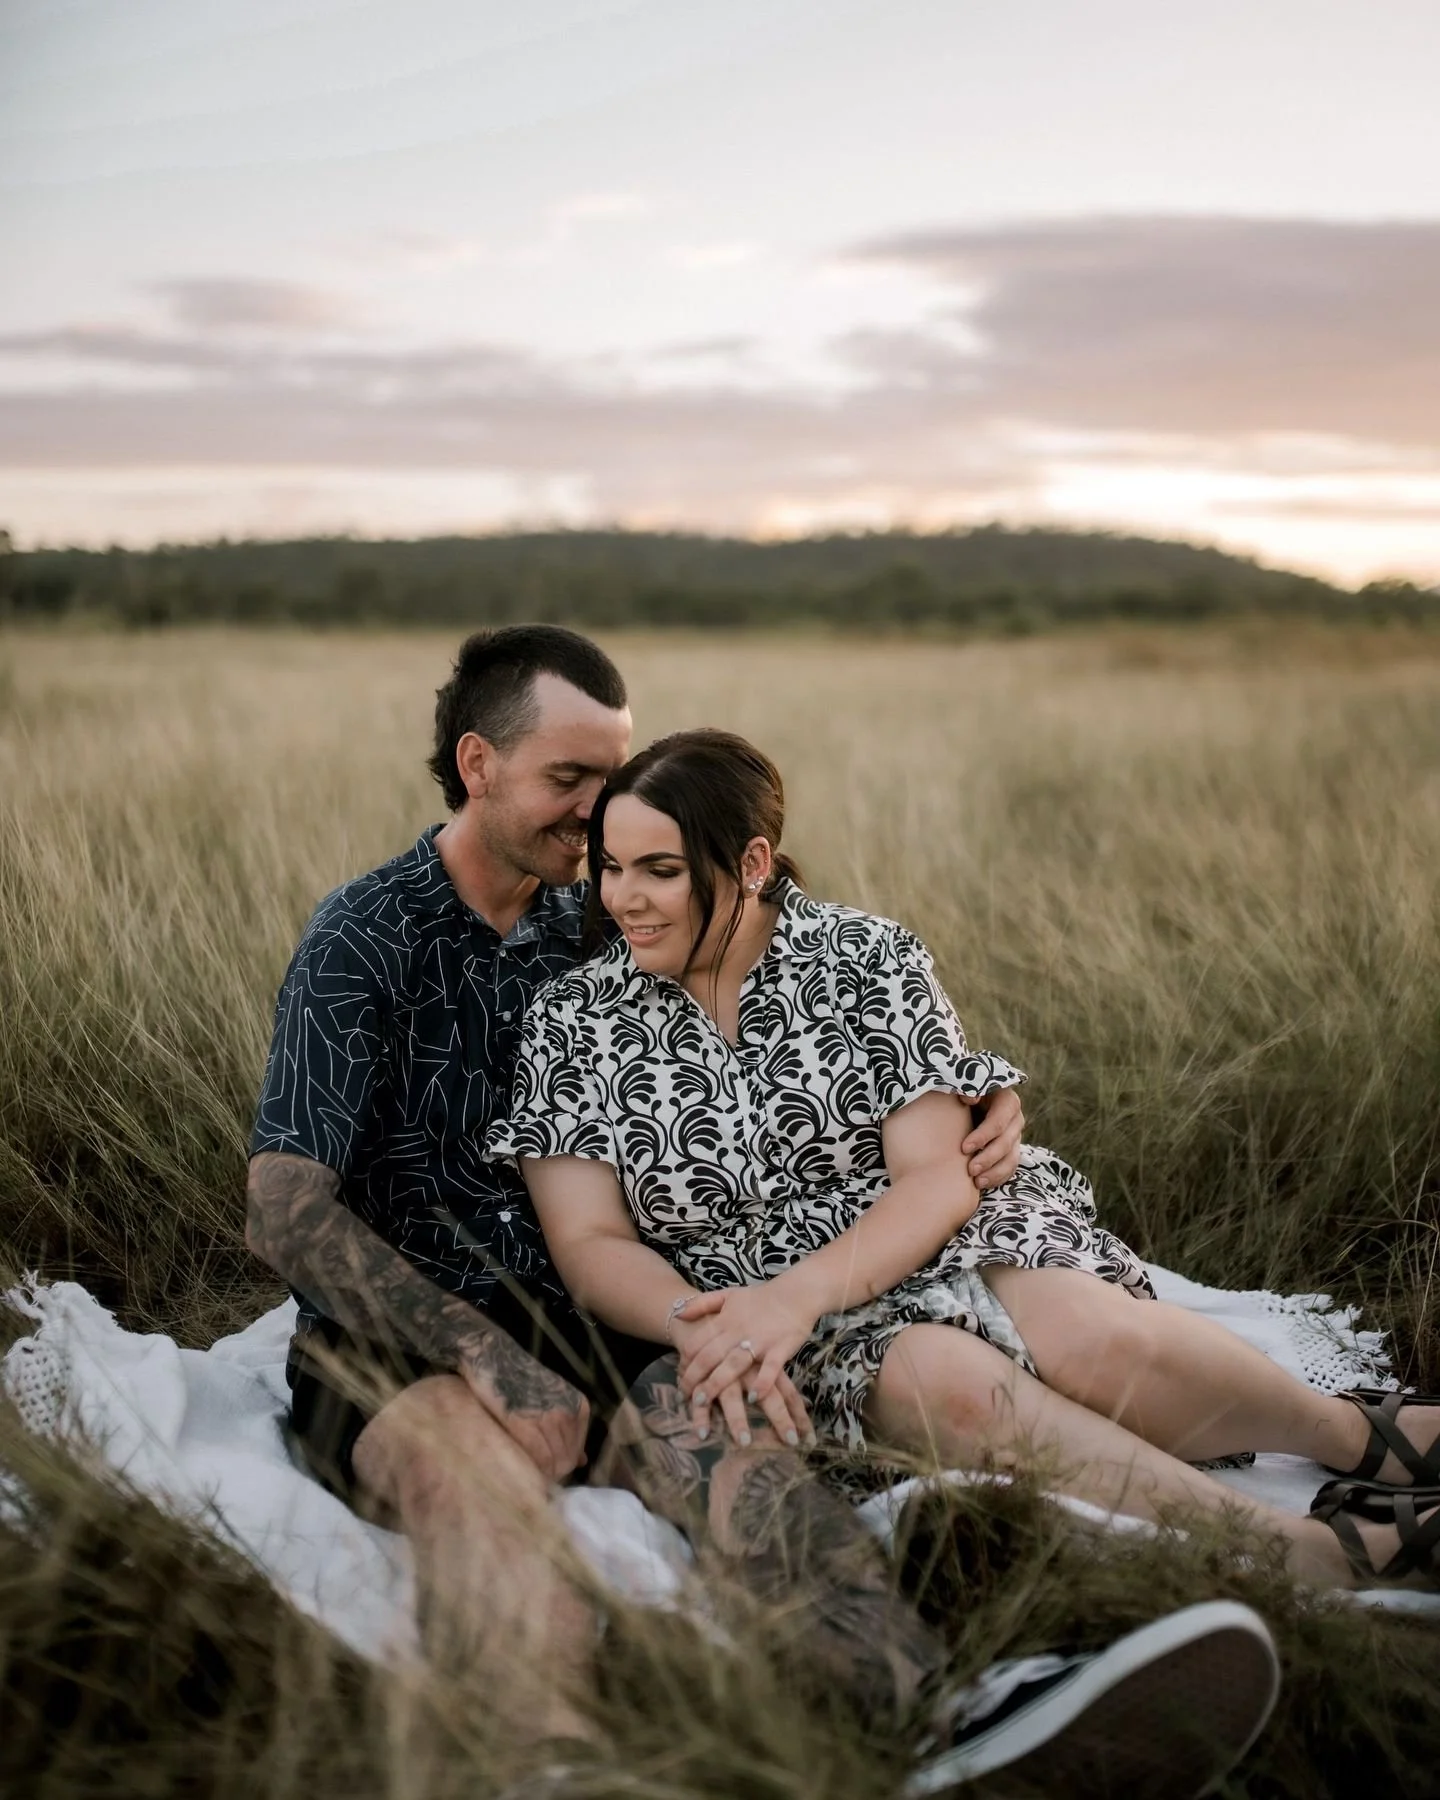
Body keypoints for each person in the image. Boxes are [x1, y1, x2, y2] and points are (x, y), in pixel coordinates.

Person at [247, 629, 1279, 1796]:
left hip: (619, 1316)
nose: (597, 816)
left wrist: (968, 1089)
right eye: (569, 780)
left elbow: (798, 986)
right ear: (477, 764)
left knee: (752, 1471)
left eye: (610, 779)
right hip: (407, 1339)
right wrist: (484, 1354)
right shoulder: (365, 938)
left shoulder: (598, 908)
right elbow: (282, 1211)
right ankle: (550, 1763)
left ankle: (937, 1724)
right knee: (473, 1488)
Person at [489, 727, 1440, 1596]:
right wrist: (712, 1327)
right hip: (757, 1301)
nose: (623, 899)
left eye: (658, 870)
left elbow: (938, 1177)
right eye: (611, 867)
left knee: (1090, 1339)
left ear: (752, 862)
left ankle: (1352, 1435)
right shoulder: (574, 1020)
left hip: (936, 1227)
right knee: (951, 1388)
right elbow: (590, 1240)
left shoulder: (863, 955)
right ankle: (1292, 1550)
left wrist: (801, 1294)